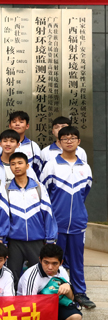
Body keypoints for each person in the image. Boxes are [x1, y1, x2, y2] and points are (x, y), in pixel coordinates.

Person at [41, 126, 94, 308]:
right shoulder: (51, 165)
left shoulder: (85, 167)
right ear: (59, 142)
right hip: (57, 223)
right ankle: (55, 293)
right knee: (55, 260)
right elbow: (45, 194)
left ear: (78, 141)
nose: (69, 141)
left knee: (77, 261)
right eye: (65, 138)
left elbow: (85, 193)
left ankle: (80, 293)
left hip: (78, 223)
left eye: (72, 138)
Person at [0, 152, 56, 287]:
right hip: (15, 241)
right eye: (13, 164)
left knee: (40, 275)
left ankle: (40, 301)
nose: (16, 166)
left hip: (37, 240)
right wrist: (1, 238)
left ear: (27, 165)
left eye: (20, 163)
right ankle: (13, 300)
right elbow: (3, 216)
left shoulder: (38, 187)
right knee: (12, 276)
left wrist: (50, 238)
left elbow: (48, 213)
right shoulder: (6, 189)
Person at [17, 244, 82, 320]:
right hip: (33, 308)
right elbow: (28, 307)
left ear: (61, 262)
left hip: (52, 305)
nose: (50, 267)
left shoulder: (62, 271)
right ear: (40, 260)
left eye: (54, 263)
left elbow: (70, 299)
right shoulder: (32, 276)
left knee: (76, 318)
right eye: (46, 262)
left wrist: (68, 288)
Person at [0, 111, 42, 177]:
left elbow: (38, 170)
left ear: (27, 126)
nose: (17, 124)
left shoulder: (33, 146)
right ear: (10, 125)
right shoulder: (0, 145)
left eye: (21, 122)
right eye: (14, 122)